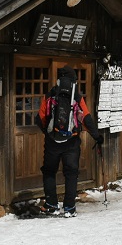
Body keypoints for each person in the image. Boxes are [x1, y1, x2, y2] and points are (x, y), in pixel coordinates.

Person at [36, 65, 102, 217]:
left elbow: (39, 119)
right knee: (71, 173)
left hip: (52, 141)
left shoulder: (50, 95)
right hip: (72, 141)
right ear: (73, 80)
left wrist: (49, 132)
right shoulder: (77, 97)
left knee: (49, 171)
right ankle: (69, 208)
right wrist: (97, 137)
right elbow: (87, 119)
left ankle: (52, 205)